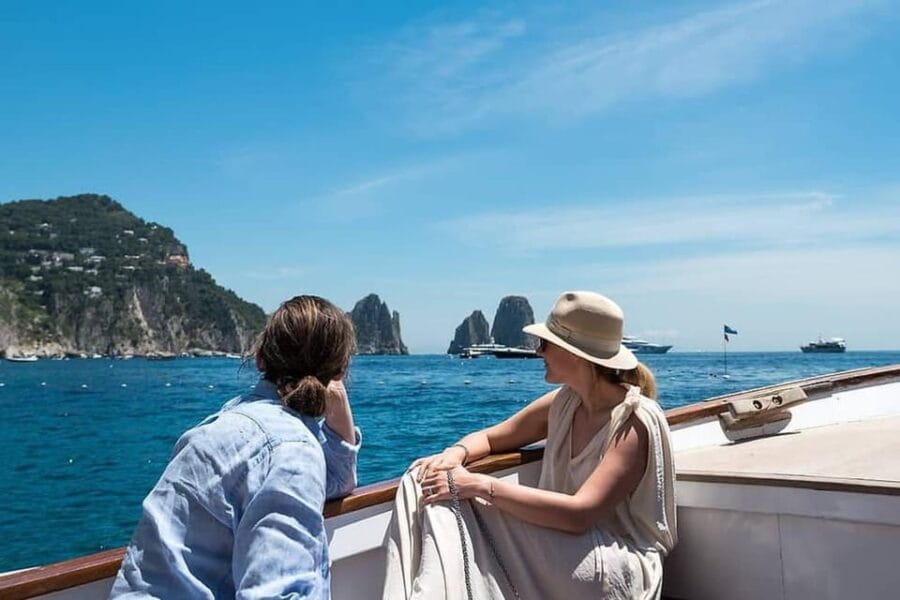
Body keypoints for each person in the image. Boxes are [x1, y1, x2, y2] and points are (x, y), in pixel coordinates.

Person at [383, 291, 676, 599]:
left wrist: (480, 485)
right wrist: (454, 454)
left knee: (453, 497)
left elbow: (580, 515)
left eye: (545, 344)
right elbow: (490, 437)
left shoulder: (633, 421)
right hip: (564, 545)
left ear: (574, 353)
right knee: (422, 481)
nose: (538, 352)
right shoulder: (565, 404)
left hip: (614, 566)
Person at [110, 295, 361, 599]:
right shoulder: (293, 450)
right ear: (338, 373)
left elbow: (334, 482)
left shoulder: (226, 423)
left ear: (260, 359)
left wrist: (341, 426)